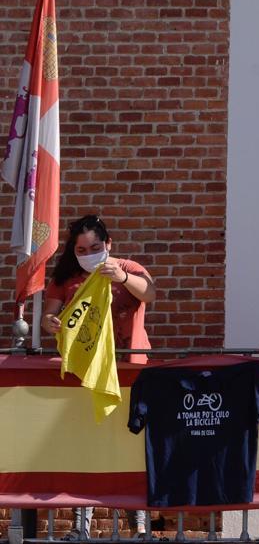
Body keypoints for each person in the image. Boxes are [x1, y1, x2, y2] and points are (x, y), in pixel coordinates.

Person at [39, 214, 156, 539]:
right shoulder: (66, 277)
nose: (88, 252)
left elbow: (149, 294)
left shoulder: (128, 268)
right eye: (81, 248)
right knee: (87, 446)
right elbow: (50, 314)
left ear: (108, 245)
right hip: (86, 372)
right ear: (73, 250)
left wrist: (120, 277)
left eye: (94, 247)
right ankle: (81, 526)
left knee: (129, 445)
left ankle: (140, 527)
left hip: (130, 368)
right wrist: (50, 322)